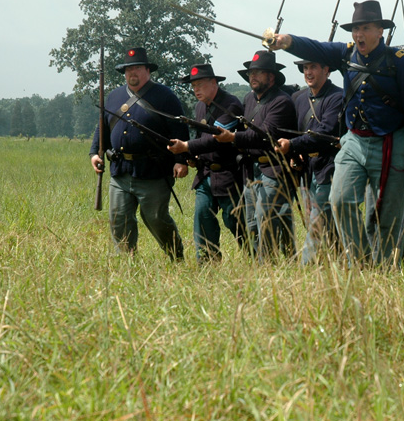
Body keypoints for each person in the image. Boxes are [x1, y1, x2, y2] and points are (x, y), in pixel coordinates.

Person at [267, 0, 404, 266]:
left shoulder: (400, 63)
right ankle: (360, 260)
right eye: (355, 29)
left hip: (391, 142)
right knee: (339, 200)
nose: (358, 34)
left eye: (365, 28)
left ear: (380, 31)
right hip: (354, 140)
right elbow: (316, 47)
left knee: (385, 217)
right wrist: (287, 41)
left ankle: (383, 272)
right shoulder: (346, 54)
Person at [89, 47, 188, 260]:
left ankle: (176, 257)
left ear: (147, 70)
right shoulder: (115, 96)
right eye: (128, 69)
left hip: (154, 170)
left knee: (156, 219)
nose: (131, 73)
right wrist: (93, 153)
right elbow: (102, 127)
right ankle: (127, 263)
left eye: (136, 68)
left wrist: (181, 160)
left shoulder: (165, 96)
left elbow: (179, 131)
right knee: (118, 219)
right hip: (120, 170)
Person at [213, 51, 298, 260]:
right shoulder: (249, 99)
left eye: (259, 73)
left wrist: (233, 137)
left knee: (265, 218)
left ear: (271, 76)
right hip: (252, 170)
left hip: (273, 169)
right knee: (251, 222)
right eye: (251, 73)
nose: (253, 77)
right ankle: (279, 261)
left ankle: (266, 266)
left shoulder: (281, 101)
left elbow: (265, 135)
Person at [167, 64, 246, 263]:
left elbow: (217, 137)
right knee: (202, 217)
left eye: (200, 85)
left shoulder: (231, 104)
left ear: (214, 83)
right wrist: (191, 158)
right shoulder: (200, 106)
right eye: (193, 86)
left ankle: (254, 256)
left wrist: (186, 146)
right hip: (206, 173)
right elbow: (200, 137)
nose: (196, 90)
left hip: (229, 175)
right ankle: (207, 263)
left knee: (235, 220)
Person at [275, 58, 343, 264]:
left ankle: (305, 270)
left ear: (326, 69)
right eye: (305, 68)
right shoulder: (298, 98)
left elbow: (324, 133)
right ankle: (343, 261)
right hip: (307, 170)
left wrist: (293, 146)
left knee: (316, 221)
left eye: (313, 66)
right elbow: (295, 130)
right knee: (319, 221)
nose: (308, 72)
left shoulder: (337, 97)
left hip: (329, 166)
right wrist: (295, 155)